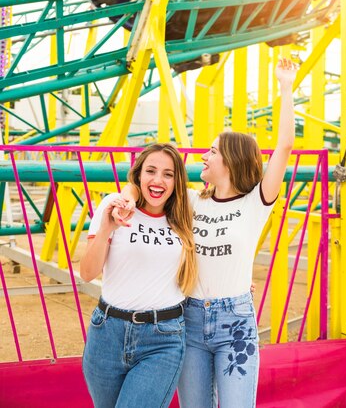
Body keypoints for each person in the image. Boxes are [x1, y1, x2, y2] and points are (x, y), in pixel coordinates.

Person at [119, 57, 297, 408]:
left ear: (229, 161)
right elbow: (144, 185)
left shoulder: (255, 202)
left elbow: (285, 146)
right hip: (189, 316)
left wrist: (286, 86)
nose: (203, 156)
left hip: (236, 326)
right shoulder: (190, 201)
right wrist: (126, 196)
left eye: (212, 151)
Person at [80, 143, 197, 408]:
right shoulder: (114, 207)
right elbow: (87, 273)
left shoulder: (187, 212)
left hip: (162, 339)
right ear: (139, 175)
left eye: (168, 174)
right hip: (107, 333)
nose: (158, 180)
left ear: (177, 180)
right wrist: (106, 228)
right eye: (151, 171)